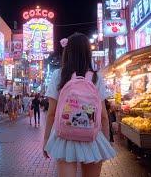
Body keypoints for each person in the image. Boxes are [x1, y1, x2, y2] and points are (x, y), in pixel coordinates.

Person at [43, 33, 116, 177]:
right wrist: (105, 141)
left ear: (67, 52)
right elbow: (103, 117)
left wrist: (46, 140)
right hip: (92, 137)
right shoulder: (96, 77)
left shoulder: (59, 75)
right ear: (88, 53)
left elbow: (51, 114)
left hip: (64, 138)